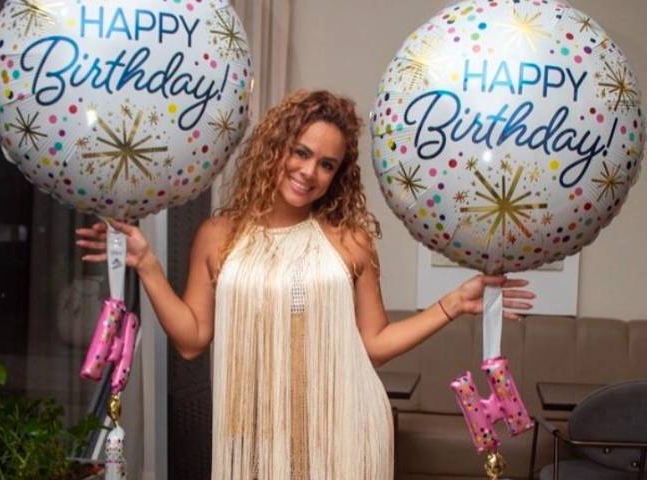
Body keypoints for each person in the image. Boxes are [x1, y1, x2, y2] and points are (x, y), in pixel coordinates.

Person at [76, 90, 535, 480]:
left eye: (326, 164)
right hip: (256, 435)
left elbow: (375, 344)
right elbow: (192, 340)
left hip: (344, 430)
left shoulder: (350, 240)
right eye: (300, 152)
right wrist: (148, 265)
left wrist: (452, 303)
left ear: (338, 175)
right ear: (274, 148)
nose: (309, 172)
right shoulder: (218, 236)